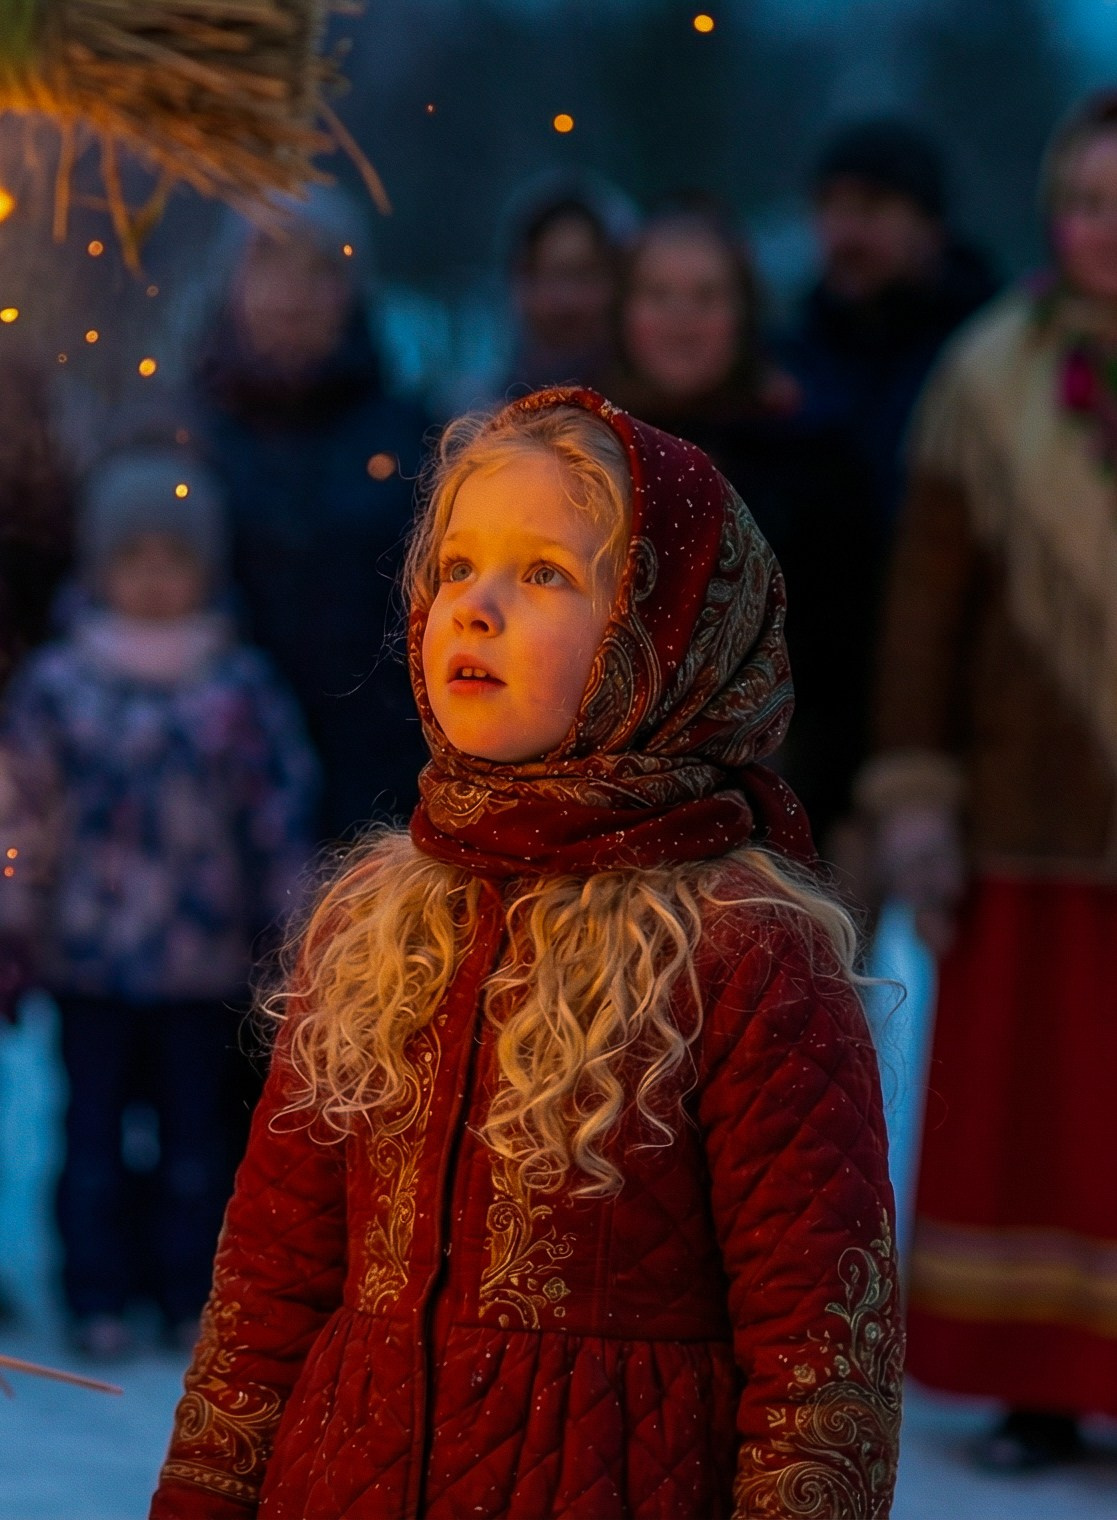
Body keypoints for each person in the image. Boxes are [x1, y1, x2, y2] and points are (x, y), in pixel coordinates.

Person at [149, 388, 901, 1518]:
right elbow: (267, 1284)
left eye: (543, 573)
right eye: (455, 567)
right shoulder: (373, 920)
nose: (477, 606)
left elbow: (821, 1361)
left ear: (664, 628)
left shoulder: (744, 946)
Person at [856, 92, 1117, 1470]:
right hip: (1026, 819)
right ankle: (1035, 1385)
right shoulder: (986, 377)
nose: (1102, 231)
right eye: (1081, 201)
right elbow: (925, 612)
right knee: (1038, 1121)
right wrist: (916, 794)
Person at [0, 445, 319, 1358]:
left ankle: (188, 1288)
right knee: (90, 1134)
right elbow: (20, 808)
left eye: (171, 559)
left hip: (201, 961)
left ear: (204, 569)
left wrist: (287, 920)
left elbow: (277, 805)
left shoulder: (237, 689)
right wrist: (15, 917)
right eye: (131, 558)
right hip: (89, 960)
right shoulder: (61, 688)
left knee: (195, 1141)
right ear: (99, 568)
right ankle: (95, 1287)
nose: (151, 579)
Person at [607, 203, 879, 854]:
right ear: (623, 312)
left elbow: (847, 655)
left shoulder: (810, 454)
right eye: (658, 295)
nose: (681, 319)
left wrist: (847, 811)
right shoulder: (585, 454)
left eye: (705, 295)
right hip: (613, 818)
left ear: (744, 311)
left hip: (784, 816)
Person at [193, 186, 430, 841]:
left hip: (383, 804)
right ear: (232, 282)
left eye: (319, 268)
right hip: (213, 829)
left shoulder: (417, 444)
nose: (292, 291)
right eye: (270, 261)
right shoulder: (183, 445)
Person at [781, 119, 997, 527]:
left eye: (872, 207)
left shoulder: (991, 351)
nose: (847, 232)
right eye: (830, 207)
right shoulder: (792, 359)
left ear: (931, 226)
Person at [501, 184, 630, 394]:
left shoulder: (647, 416)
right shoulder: (485, 416)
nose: (567, 299)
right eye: (549, 274)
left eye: (585, 275)